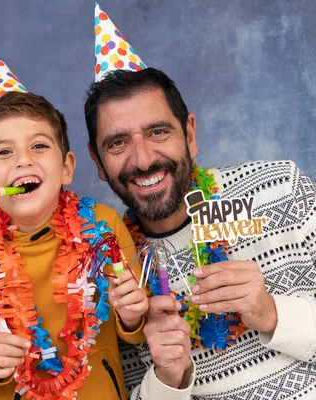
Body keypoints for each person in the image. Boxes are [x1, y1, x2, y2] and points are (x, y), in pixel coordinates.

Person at [85, 7, 316, 399]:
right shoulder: (110, 268)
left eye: (158, 132)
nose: (142, 160)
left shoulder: (279, 186)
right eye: (118, 143)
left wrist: (271, 312)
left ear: (189, 134)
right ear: (97, 162)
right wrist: (168, 377)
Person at [0, 57, 186, 400]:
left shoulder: (104, 227)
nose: (23, 160)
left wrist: (133, 315)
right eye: (4, 152)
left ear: (66, 168)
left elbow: (136, 332)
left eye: (39, 146)